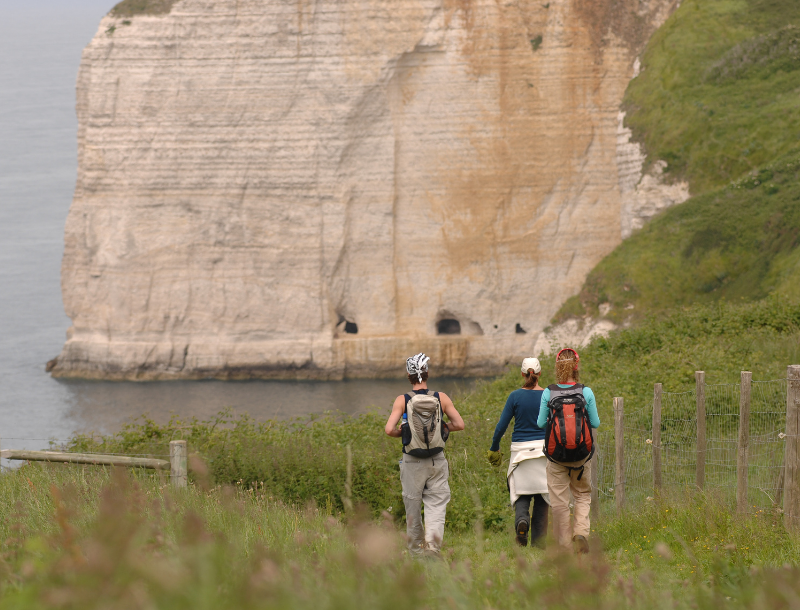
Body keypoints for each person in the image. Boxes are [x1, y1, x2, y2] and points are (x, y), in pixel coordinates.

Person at [384, 353, 465, 557]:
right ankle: (433, 548)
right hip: (437, 460)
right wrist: (441, 429)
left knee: (412, 506)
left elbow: (389, 429)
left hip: (412, 462)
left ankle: (415, 552)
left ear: (409, 376)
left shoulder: (402, 400)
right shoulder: (441, 397)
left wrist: (404, 433)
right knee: (436, 505)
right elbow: (459, 424)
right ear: (427, 373)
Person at [537, 348, 600, 553]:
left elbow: (540, 424)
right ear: (576, 365)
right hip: (581, 457)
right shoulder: (586, 391)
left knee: (559, 502)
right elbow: (596, 423)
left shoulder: (549, 392)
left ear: (557, 366)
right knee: (582, 495)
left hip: (556, 458)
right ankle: (580, 532)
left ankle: (564, 545)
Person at [486, 357, 549, 548]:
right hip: (544, 451)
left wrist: (494, 446)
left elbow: (501, 426)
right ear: (540, 374)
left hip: (520, 452)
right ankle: (539, 544)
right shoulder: (548, 395)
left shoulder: (515, 396)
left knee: (522, 494)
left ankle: (522, 521)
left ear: (522, 374)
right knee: (543, 496)